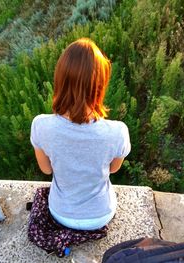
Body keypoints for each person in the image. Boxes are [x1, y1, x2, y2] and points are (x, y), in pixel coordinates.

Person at [30, 38, 131, 231]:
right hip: (102, 214)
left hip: (60, 213)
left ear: (60, 79)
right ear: (100, 85)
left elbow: (46, 170)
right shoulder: (118, 131)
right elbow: (113, 169)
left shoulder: (40, 125)